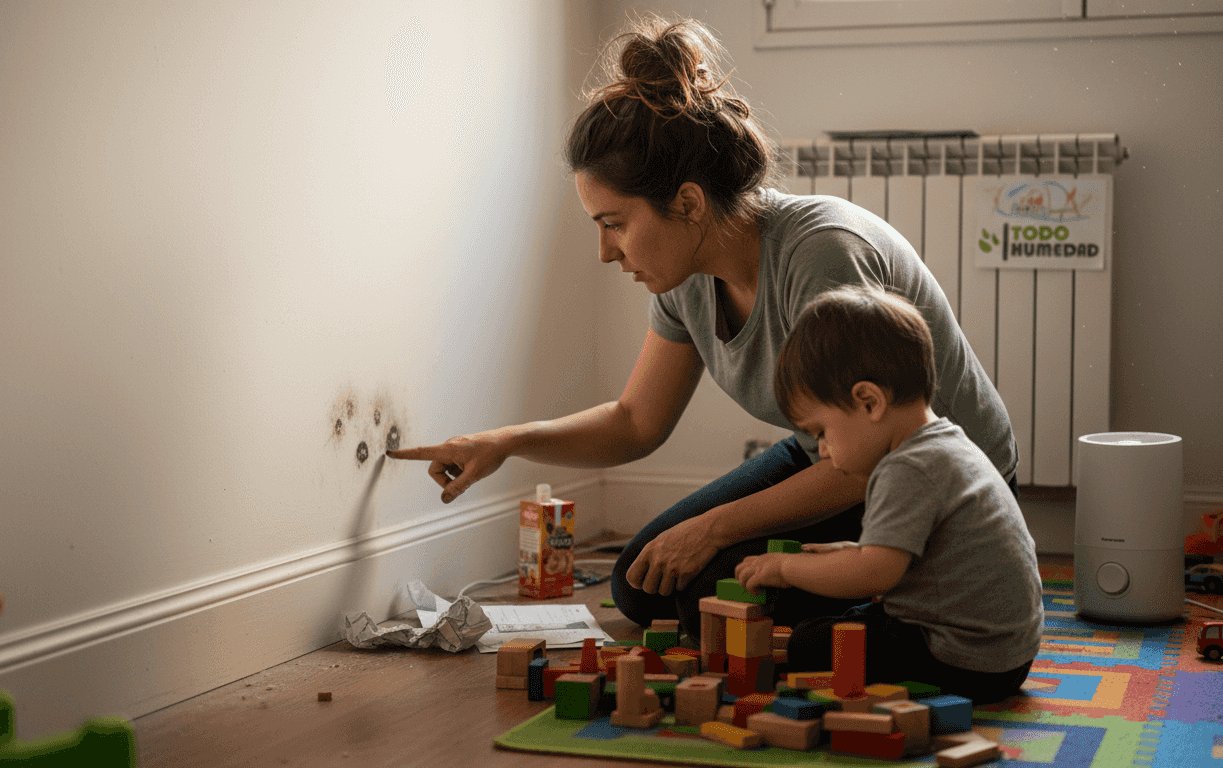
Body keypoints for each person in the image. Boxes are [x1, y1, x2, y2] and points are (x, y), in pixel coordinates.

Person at [386, 16, 1017, 639]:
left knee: (704, 597)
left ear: (688, 203)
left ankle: (902, 607)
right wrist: (506, 442)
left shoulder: (823, 254)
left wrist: (714, 529)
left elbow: (866, 448)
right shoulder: (683, 278)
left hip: (930, 477)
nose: (606, 253)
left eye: (614, 224)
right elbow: (636, 422)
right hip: (835, 457)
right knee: (642, 581)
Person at [734, 285, 1042, 704]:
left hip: (961, 658)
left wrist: (786, 568)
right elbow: (924, 554)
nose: (822, 450)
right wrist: (853, 551)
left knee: (809, 642)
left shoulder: (906, 468)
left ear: (868, 401)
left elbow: (874, 575)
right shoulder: (947, 443)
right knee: (849, 616)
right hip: (1007, 655)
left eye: (821, 432)